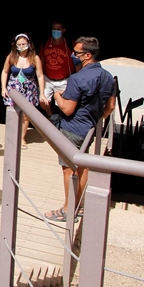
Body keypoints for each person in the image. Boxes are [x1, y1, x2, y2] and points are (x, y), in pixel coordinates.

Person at [46, 36, 116, 223]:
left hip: (71, 128)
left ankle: (68, 209)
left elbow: (68, 108)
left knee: (69, 170)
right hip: (89, 129)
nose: (72, 55)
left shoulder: (77, 78)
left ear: (86, 55)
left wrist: (57, 96)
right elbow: (110, 107)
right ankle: (79, 205)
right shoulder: (108, 77)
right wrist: (96, 117)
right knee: (82, 167)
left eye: (76, 53)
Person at [1, 34, 44, 149]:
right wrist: (3, 88)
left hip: (29, 90)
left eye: (24, 44)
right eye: (19, 44)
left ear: (29, 44)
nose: (21, 46)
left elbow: (40, 76)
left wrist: (42, 93)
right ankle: (11, 136)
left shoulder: (35, 58)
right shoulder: (11, 57)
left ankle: (22, 138)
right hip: (13, 88)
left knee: (25, 116)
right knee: (12, 113)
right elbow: (5, 72)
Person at [40, 21, 74, 110]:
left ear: (63, 30)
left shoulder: (70, 43)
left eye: (58, 29)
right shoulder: (45, 42)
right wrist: (40, 75)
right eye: (54, 29)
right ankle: (50, 115)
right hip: (48, 79)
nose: (56, 31)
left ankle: (61, 120)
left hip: (64, 80)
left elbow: (77, 61)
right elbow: (42, 59)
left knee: (63, 104)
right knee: (42, 101)